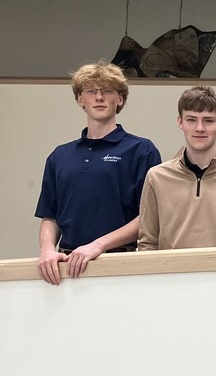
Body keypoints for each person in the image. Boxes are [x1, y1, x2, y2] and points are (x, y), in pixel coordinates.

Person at [35, 62, 161, 285]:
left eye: (107, 91)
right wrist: (47, 250)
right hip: (66, 267)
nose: (99, 97)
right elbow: (50, 215)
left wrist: (97, 245)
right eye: (91, 91)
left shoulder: (142, 151)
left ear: (120, 99)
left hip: (118, 265)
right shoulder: (60, 156)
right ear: (80, 100)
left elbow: (149, 217)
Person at [138, 86, 216, 250]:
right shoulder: (157, 177)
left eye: (208, 120)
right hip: (171, 274)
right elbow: (148, 243)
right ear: (180, 122)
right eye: (191, 119)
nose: (200, 128)